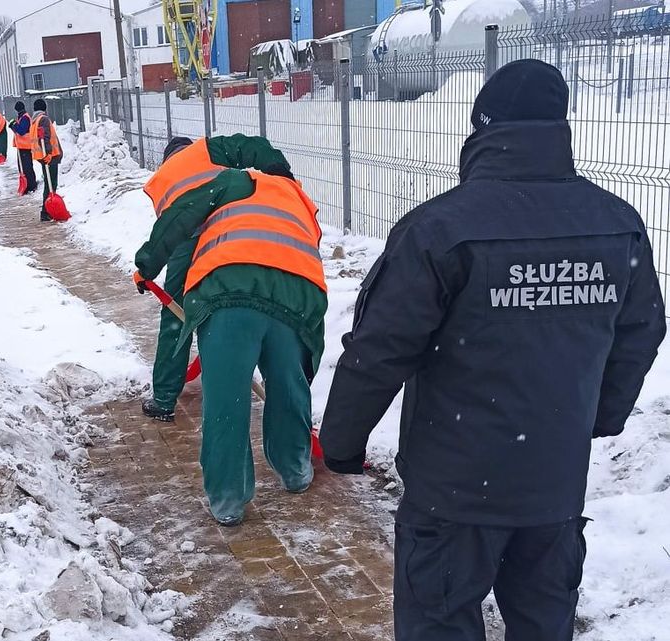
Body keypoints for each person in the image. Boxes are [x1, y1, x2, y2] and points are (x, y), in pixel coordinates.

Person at [319, 59, 666, 641]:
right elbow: (642, 331)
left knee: (440, 624)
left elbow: (379, 349)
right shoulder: (618, 224)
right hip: (553, 486)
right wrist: (597, 417)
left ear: (483, 130)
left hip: (454, 492)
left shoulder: (440, 230)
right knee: (543, 624)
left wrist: (342, 443)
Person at [132, 138, 328, 527]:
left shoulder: (232, 183)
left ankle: (228, 499)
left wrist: (146, 265)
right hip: (297, 295)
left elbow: (182, 215)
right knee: (289, 385)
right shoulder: (301, 199)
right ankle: (295, 470)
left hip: (229, 290)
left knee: (227, 397)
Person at [136, 135, 302, 423]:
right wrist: (281, 173)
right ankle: (281, 397)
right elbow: (253, 146)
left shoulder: (163, 178)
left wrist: (145, 270)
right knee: (249, 307)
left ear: (166, 159)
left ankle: (164, 400)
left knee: (176, 317)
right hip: (234, 231)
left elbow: (169, 228)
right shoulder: (207, 151)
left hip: (189, 241)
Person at [30, 98, 62, 222]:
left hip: (42, 156)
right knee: (51, 184)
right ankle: (46, 211)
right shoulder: (43, 119)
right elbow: (44, 137)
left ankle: (46, 210)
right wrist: (48, 153)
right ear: (44, 108)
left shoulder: (35, 120)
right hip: (49, 156)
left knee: (49, 184)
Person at [9, 101, 39, 195]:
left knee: (27, 167)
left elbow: (21, 131)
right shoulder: (22, 117)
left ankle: (32, 185)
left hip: (26, 147)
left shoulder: (25, 118)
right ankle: (27, 185)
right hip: (21, 146)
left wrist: (14, 125)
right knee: (22, 167)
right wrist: (13, 126)